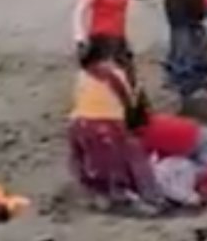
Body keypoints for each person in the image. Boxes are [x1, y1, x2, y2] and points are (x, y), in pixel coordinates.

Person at [68, 39, 165, 215]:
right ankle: (147, 197)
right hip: (105, 126)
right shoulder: (115, 75)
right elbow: (132, 108)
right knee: (134, 155)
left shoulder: (82, 75)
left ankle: (97, 193)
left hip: (78, 125)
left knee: (90, 162)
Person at [72, 0, 157, 84]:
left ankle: (132, 98)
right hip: (99, 36)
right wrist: (79, 39)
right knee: (105, 70)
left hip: (119, 36)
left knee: (128, 72)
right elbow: (79, 12)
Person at [133, 111, 207, 202]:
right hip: (201, 140)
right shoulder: (152, 121)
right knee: (198, 176)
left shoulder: (143, 136)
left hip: (203, 143)